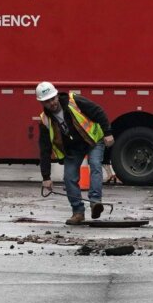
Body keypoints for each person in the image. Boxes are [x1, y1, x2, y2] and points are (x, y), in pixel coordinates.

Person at [35, 80, 113, 224]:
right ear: (42, 103)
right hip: (73, 149)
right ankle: (78, 212)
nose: (51, 103)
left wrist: (108, 133)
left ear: (57, 96)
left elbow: (98, 111)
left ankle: (96, 202)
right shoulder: (45, 121)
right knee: (69, 178)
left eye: (52, 99)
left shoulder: (74, 101)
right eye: (47, 101)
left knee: (95, 164)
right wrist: (46, 177)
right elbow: (44, 150)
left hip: (93, 140)